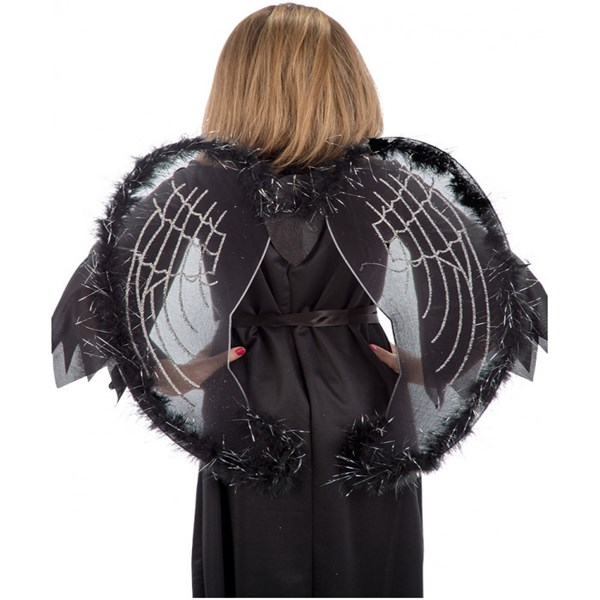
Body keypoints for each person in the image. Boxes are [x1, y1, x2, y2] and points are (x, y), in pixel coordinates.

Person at [51, 3, 548, 598]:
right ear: (346, 82)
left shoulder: (194, 188)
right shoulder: (390, 184)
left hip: (247, 401)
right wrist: (421, 367)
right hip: (364, 399)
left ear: (236, 86)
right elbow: (511, 301)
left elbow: (93, 310)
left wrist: (177, 373)